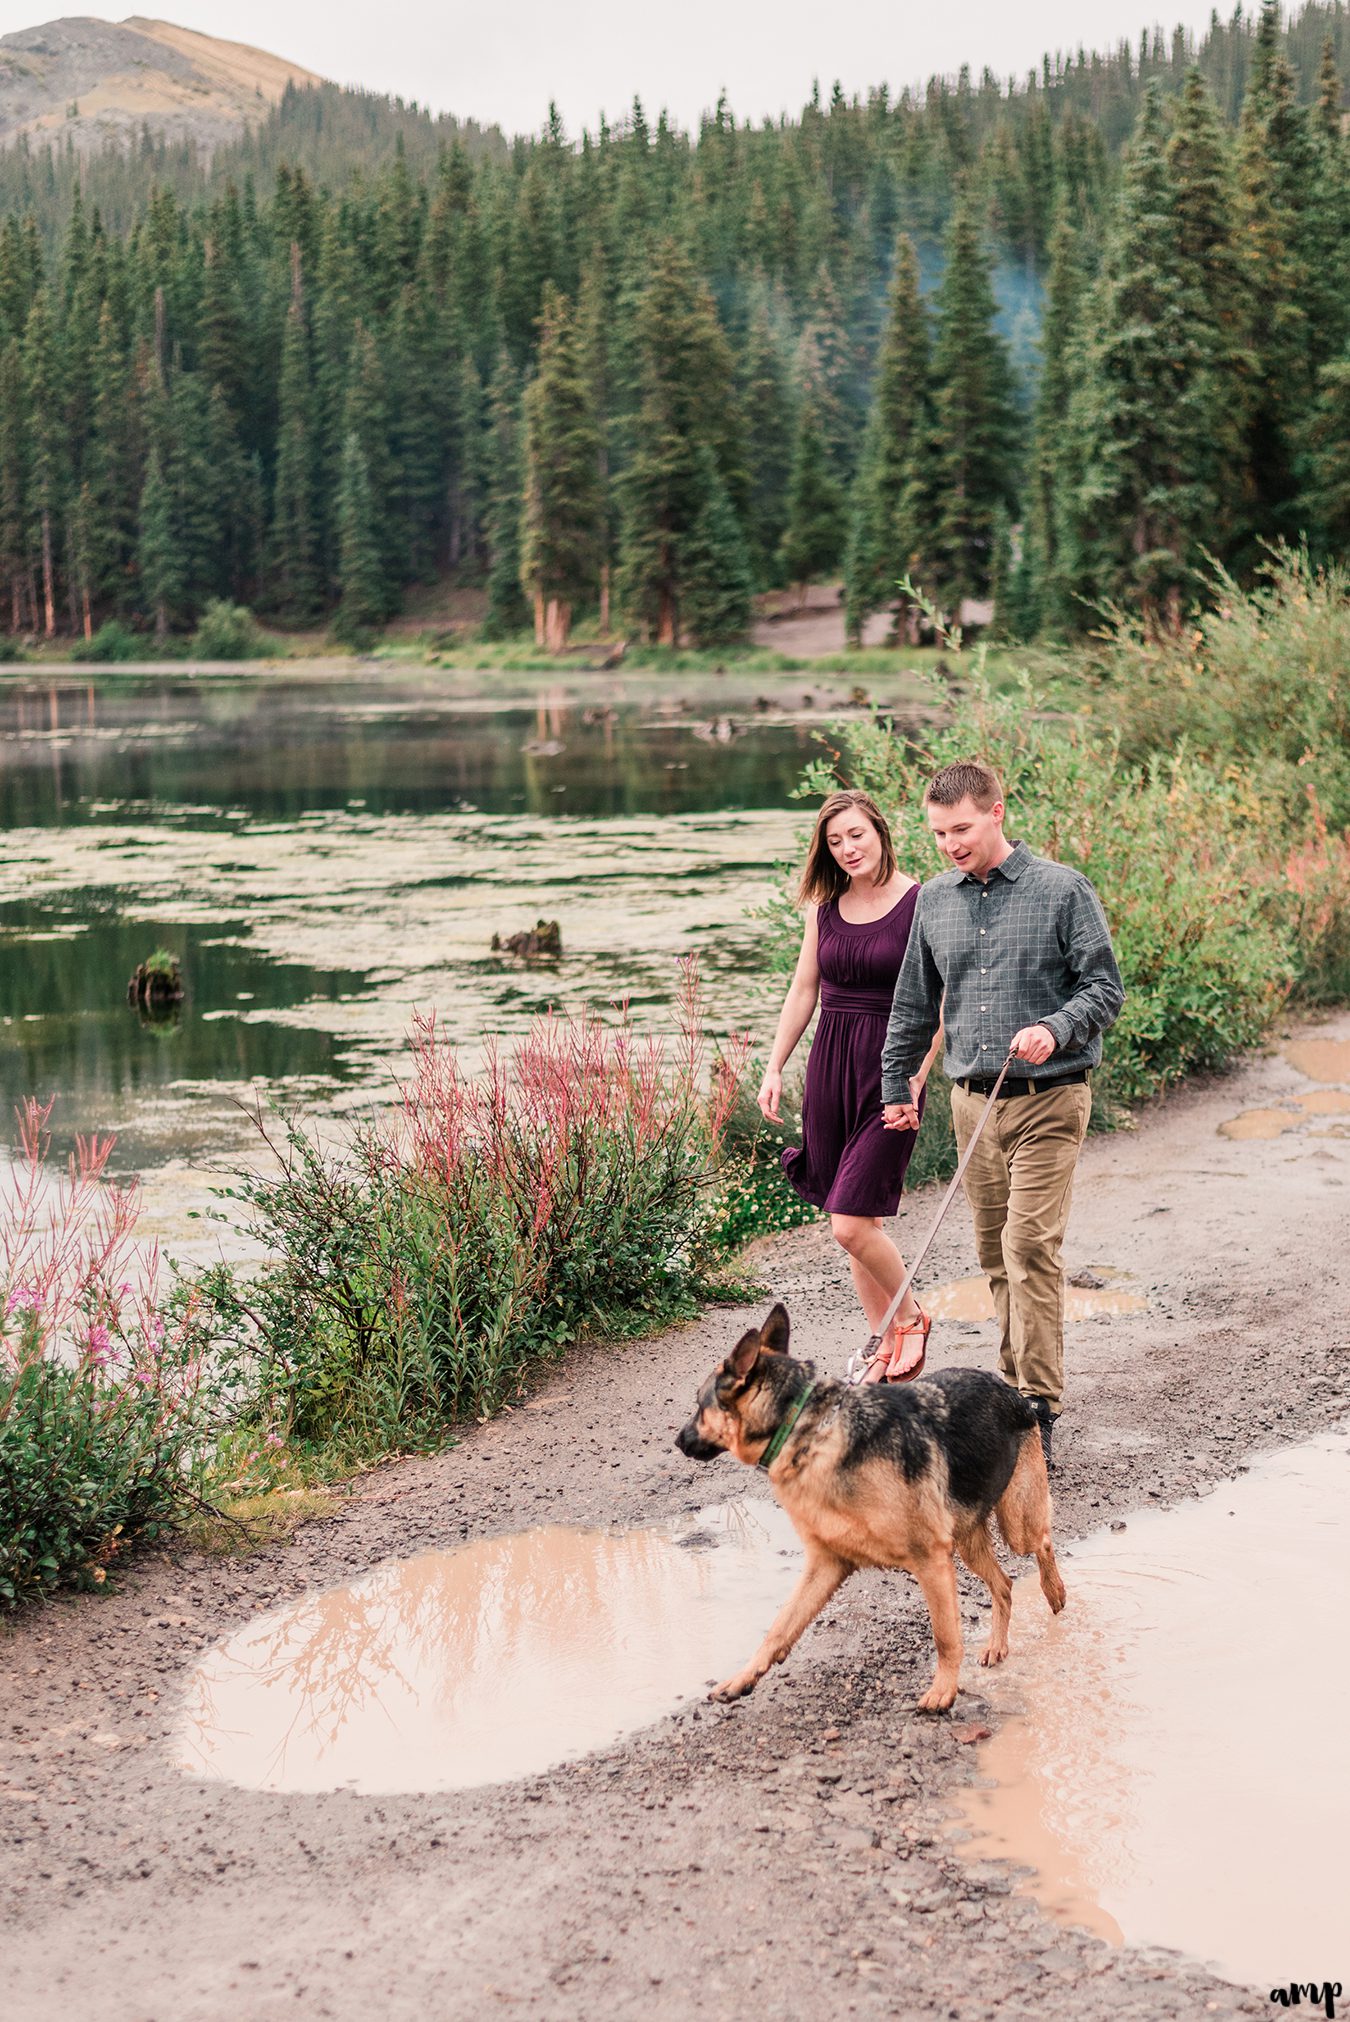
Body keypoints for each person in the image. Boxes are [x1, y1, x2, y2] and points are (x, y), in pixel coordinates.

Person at [880, 762, 1124, 1467]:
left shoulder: (1062, 890)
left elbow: (1104, 988)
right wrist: (898, 1086)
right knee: (993, 1255)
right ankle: (1013, 1392)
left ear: (995, 813)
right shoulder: (933, 900)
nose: (949, 843)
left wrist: (1057, 1025)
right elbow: (913, 1006)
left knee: (1028, 1248)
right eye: (937, 833)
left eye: (960, 829)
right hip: (970, 1106)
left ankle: (1034, 1404)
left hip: (1050, 1097)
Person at [758, 789, 942, 1383]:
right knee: (857, 1220)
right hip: (830, 1069)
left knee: (849, 1221)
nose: (847, 849)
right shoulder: (825, 908)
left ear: (880, 832)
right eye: (835, 842)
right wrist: (774, 1065)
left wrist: (913, 1080)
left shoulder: (922, 902)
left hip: (890, 1070)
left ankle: (912, 1318)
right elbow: (803, 991)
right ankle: (884, 1343)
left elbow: (939, 1005)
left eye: (856, 835)